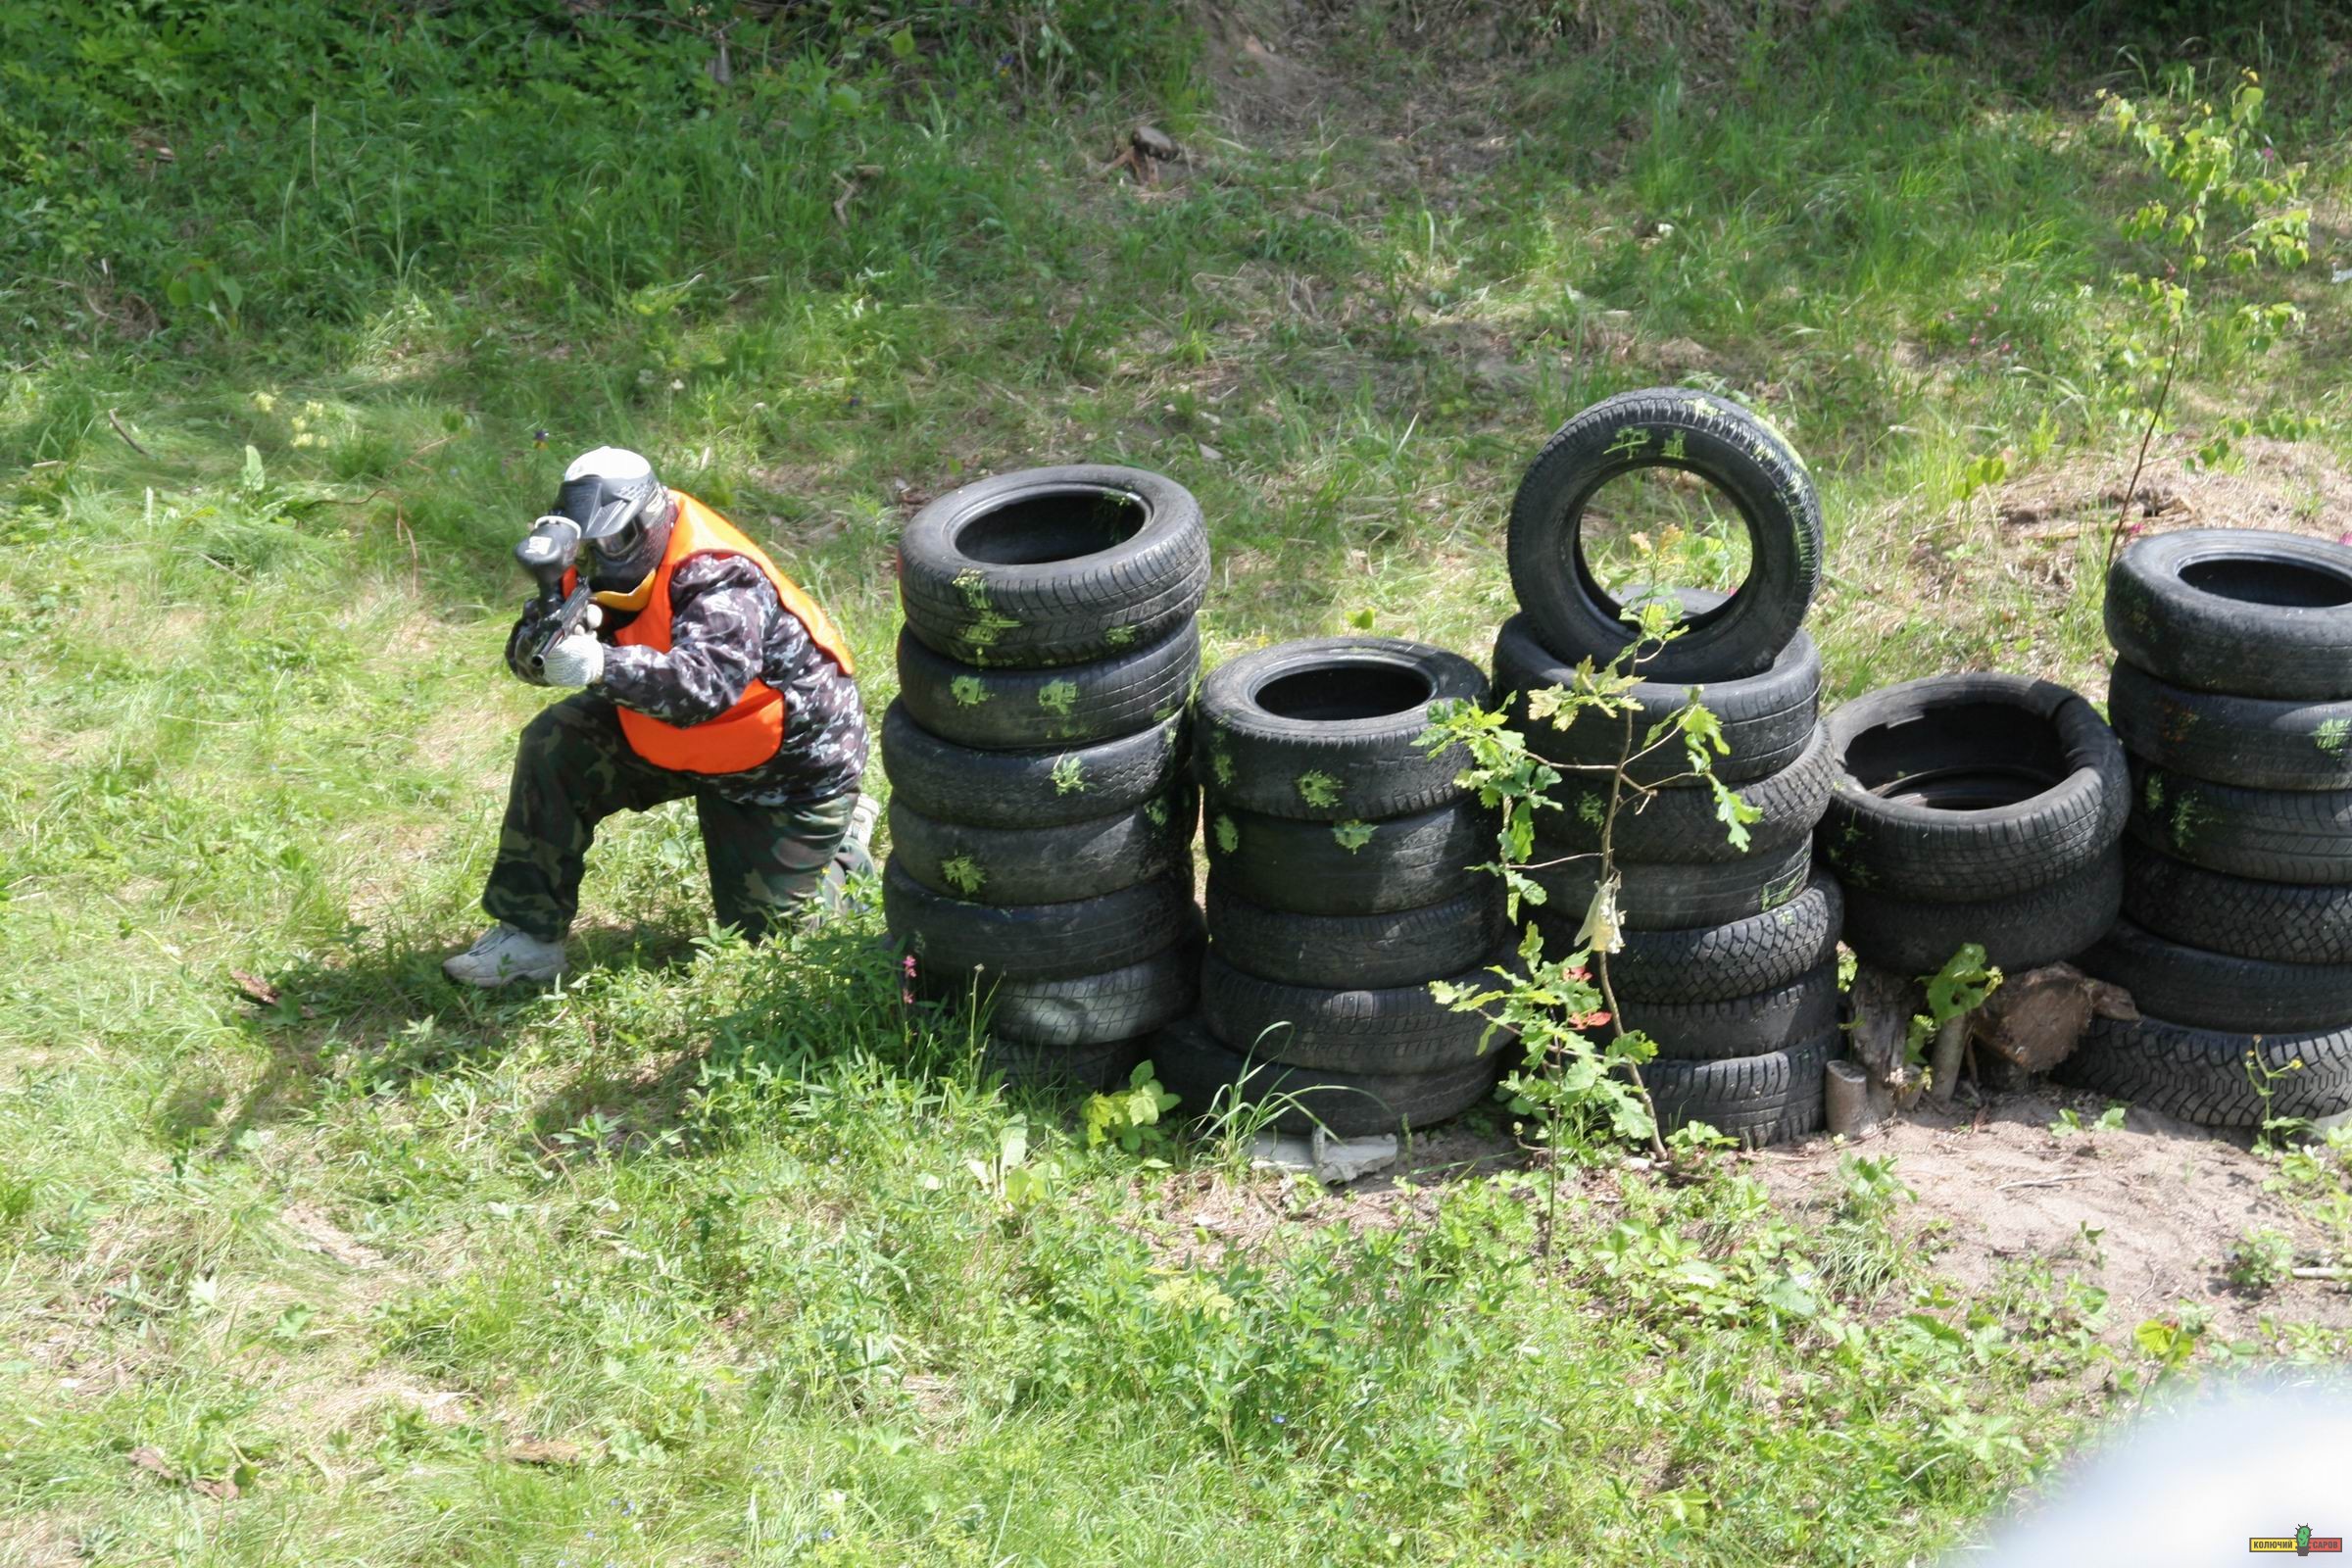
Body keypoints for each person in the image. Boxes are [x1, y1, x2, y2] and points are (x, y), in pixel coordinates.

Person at [444, 448, 876, 987]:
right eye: (590, 544)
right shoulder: (585, 563)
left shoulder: (717, 572)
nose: (603, 557)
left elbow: (707, 687)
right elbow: (524, 658)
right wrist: (547, 643)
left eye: (617, 540)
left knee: (772, 945)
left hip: (787, 768)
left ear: (651, 519)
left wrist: (600, 663)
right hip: (671, 735)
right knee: (556, 742)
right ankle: (528, 937)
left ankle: (842, 846)